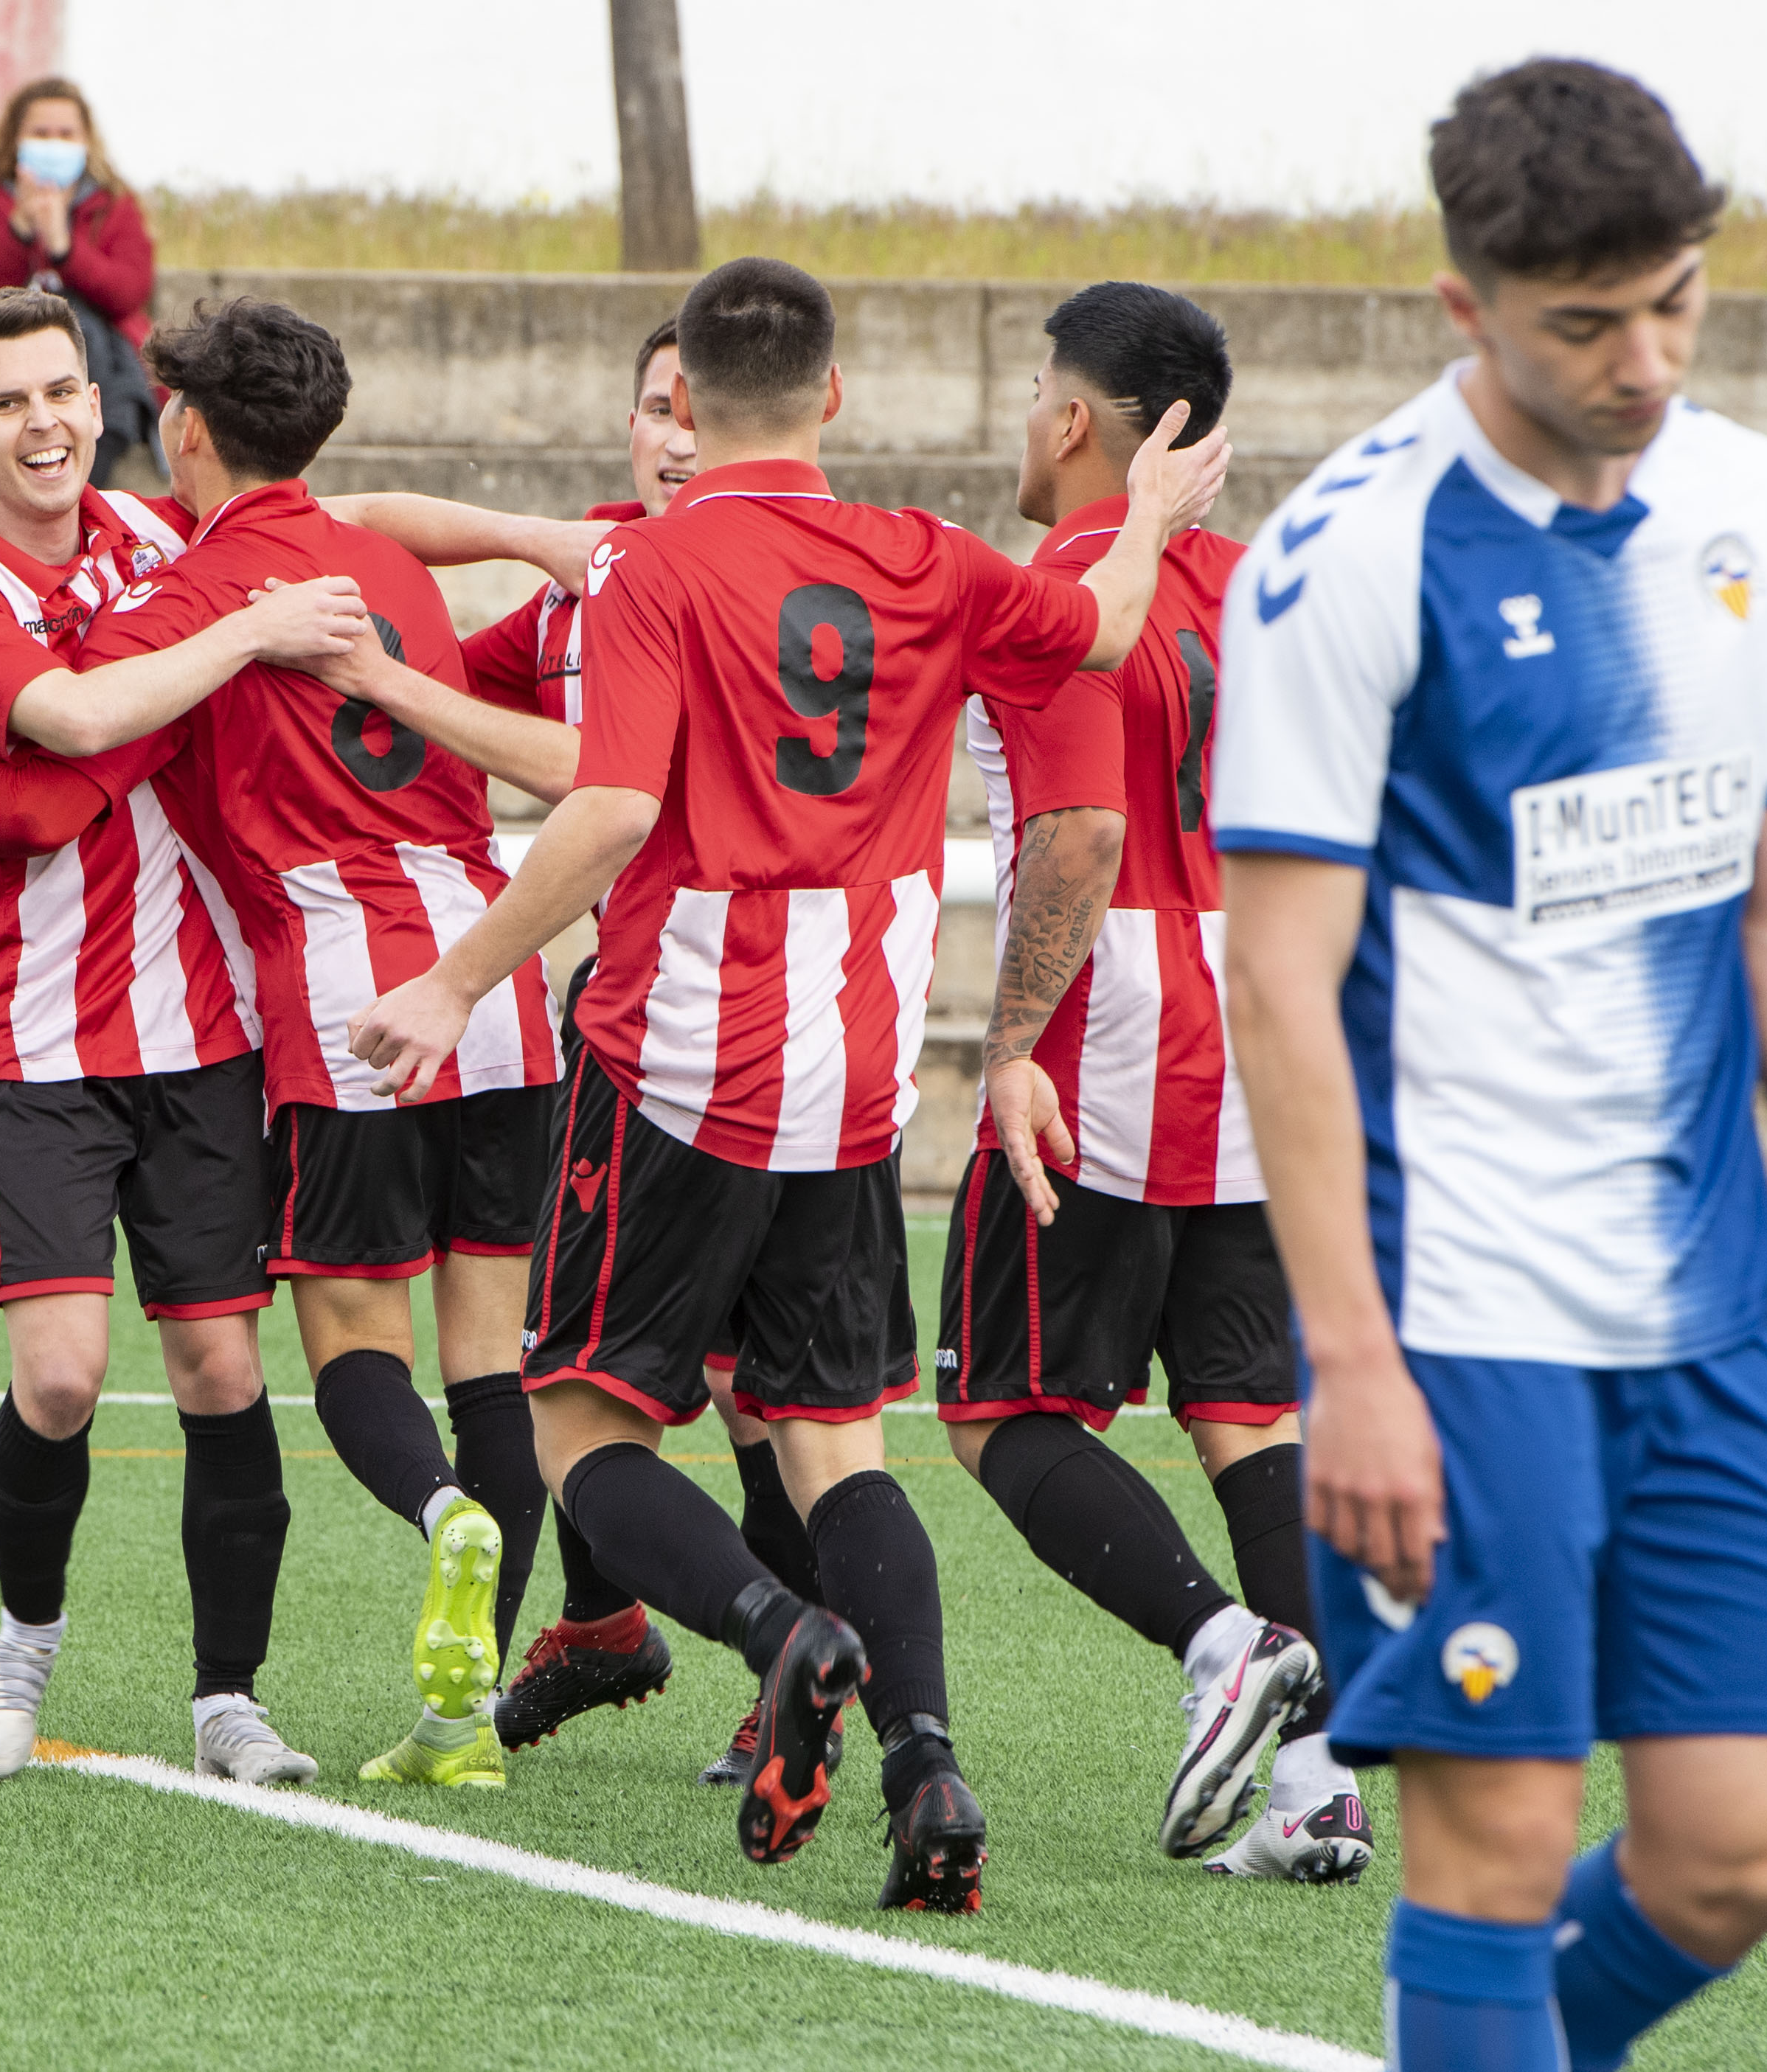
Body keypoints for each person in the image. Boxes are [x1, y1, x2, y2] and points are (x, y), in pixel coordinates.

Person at [346, 256, 1229, 1911]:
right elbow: (1103, 624)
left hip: (678, 1048)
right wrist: (1159, 511)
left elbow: (607, 814)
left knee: (579, 1428)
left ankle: (777, 1629)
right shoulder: (930, 555)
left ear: (680, 404)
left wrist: (454, 979)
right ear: (832, 397)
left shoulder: (655, 570)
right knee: (840, 1443)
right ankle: (924, 1760)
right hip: (861, 1060)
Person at [1212, 61, 1767, 2071]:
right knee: (1500, 1849)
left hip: (1704, 1314)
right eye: (1585, 324)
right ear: (1468, 309)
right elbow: (1281, 986)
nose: (1644, 361)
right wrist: (1347, 1361)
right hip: (1458, 1315)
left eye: (1676, 304)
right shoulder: (1346, 556)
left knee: (1732, 1858)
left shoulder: (1756, 511)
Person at [0, 286, 373, 1792]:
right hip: (29, 1034)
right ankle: (25, 1639)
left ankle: (230, 1698)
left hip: (204, 1022)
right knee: (66, 1379)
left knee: (222, 1368)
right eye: (8, 402)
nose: (45, 423)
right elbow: (78, 722)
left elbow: (324, 517)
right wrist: (254, 631)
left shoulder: (174, 544)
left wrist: (553, 546)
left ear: (107, 404)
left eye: (64, 391)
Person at [327, 318, 828, 1790]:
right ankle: (606, 1619)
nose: (675, 435)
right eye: (652, 411)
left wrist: (397, 684)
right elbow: (375, 557)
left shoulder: (766, 582)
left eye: (695, 409)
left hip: (754, 1018)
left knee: (745, 1377)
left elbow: (598, 773)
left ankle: (784, 1669)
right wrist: (505, 549)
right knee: (585, 1362)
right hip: (629, 1017)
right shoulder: (590, 585)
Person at [938, 279, 1371, 1884]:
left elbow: (1078, 831)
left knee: (997, 1410)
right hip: (1256, 1019)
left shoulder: (1054, 585)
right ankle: (1318, 1787)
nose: (1025, 413)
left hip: (1118, 1031)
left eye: (1037, 385)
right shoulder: (1260, 591)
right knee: (1245, 1411)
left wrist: (1011, 1049)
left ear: (1075, 418)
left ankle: (1220, 1645)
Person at [0, 77, 159, 484]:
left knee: (77, 329)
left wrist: (65, 249)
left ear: (86, 140)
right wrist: (20, 230)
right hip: (7, 348)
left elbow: (130, 292)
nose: (54, 143)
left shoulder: (113, 204)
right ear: (16, 139)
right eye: (41, 134)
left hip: (103, 359)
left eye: (66, 134)